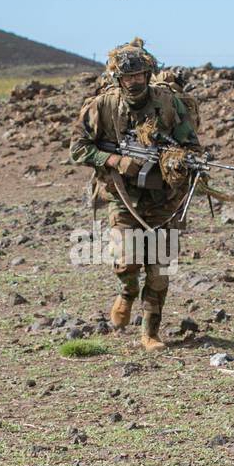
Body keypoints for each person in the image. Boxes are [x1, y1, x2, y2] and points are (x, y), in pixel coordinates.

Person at [69, 38, 199, 351]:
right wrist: (115, 160)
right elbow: (78, 148)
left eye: (140, 75)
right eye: (128, 77)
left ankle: (150, 333)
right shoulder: (104, 105)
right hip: (123, 195)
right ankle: (126, 293)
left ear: (149, 74)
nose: (134, 82)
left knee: (159, 273)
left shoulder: (168, 103)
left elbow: (191, 144)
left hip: (164, 199)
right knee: (127, 260)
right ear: (118, 79)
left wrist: (178, 161)